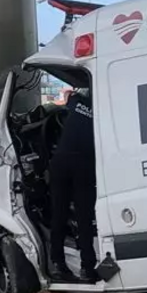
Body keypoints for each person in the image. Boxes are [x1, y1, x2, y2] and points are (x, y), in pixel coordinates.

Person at [48, 88, 98, 282]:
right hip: (83, 163)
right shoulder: (101, 109)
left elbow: (67, 95)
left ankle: (57, 264)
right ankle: (87, 268)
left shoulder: (77, 101)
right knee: (84, 217)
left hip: (60, 161)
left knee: (58, 214)